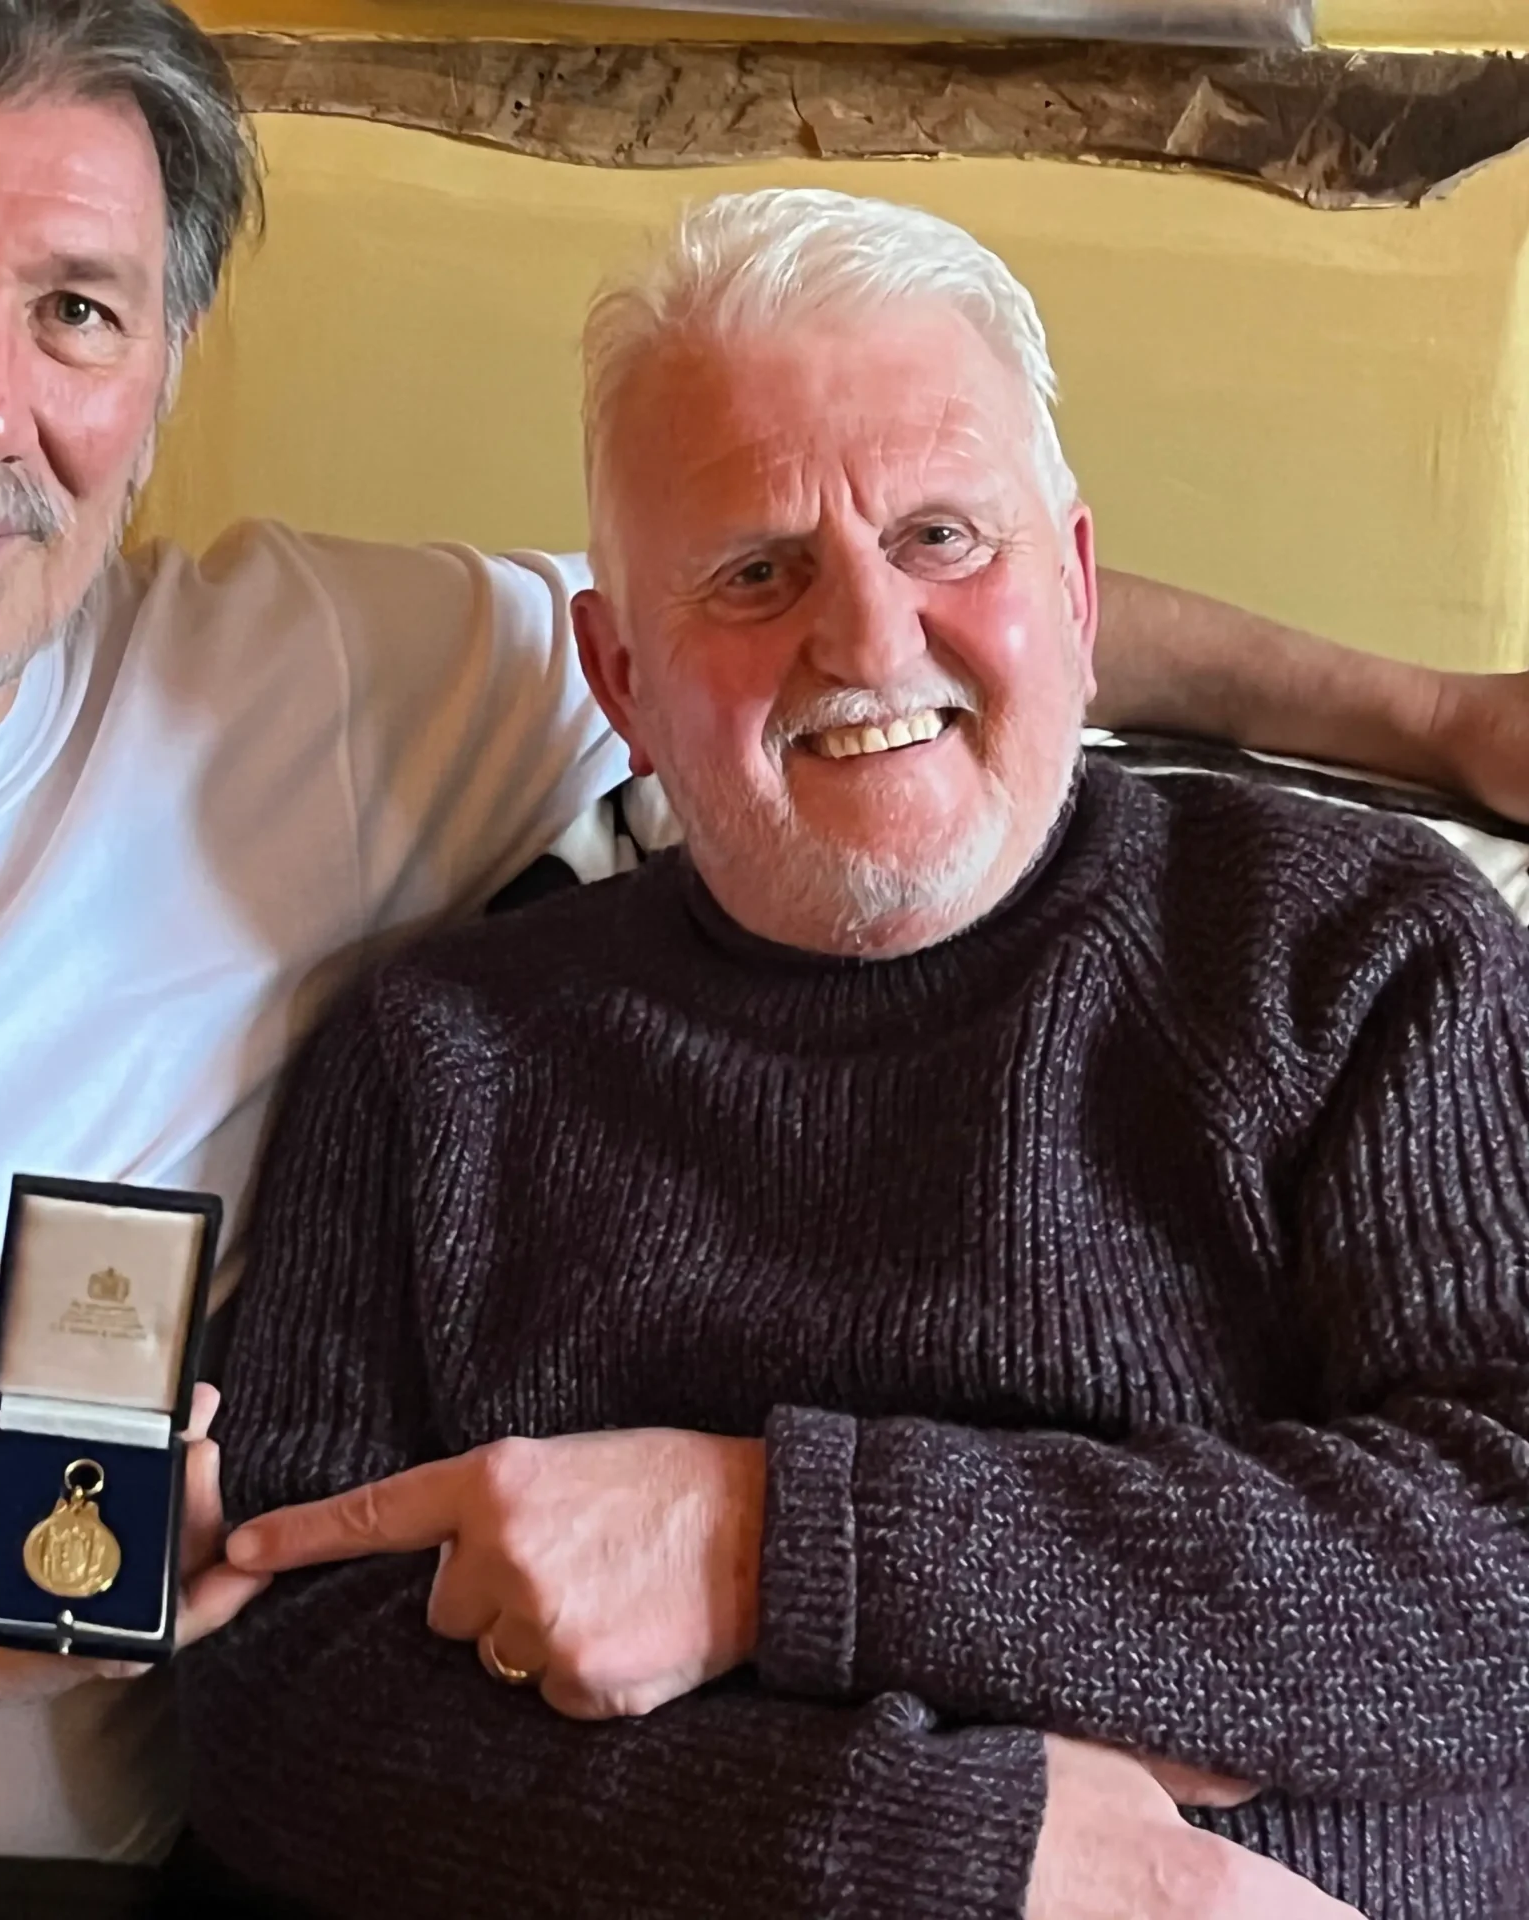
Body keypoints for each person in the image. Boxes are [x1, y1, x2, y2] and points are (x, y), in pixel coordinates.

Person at [0, 0, 1529, 1911]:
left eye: (76, 312)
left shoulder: (307, 686)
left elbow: (868, 604)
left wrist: (1427, 716)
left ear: (163, 364)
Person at [187, 186, 1529, 1920]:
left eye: (942, 536)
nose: (870, 639)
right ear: (621, 674)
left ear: (1077, 586)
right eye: (757, 571)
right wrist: (947, 1844)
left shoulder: (1363, 947)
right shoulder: (437, 1061)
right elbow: (279, 1698)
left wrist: (767, 1543)